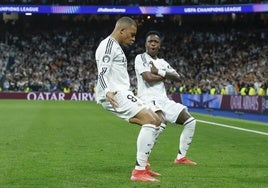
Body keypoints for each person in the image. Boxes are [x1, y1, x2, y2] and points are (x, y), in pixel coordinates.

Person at [95, 17, 162, 182]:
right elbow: (102, 72)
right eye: (131, 34)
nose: (133, 38)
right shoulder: (108, 45)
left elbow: (116, 75)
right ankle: (139, 172)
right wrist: (107, 91)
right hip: (113, 93)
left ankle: (144, 164)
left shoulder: (116, 47)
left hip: (121, 91)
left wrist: (131, 92)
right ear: (121, 31)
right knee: (150, 120)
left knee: (158, 121)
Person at [134, 30, 197, 166]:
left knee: (190, 121)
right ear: (146, 44)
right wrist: (164, 76)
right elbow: (148, 78)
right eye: (150, 41)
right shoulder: (141, 58)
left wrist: (159, 72)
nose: (153, 44)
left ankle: (181, 157)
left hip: (164, 99)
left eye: (156, 42)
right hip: (148, 99)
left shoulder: (162, 62)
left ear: (159, 45)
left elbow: (178, 77)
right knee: (160, 121)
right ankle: (144, 158)